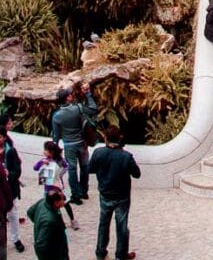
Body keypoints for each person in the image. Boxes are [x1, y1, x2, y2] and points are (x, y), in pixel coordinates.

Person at [88, 124, 140, 260]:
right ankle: (121, 255)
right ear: (119, 138)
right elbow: (137, 174)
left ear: (105, 138)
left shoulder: (98, 153)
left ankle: (100, 252)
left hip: (105, 195)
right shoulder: (126, 156)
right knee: (122, 226)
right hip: (122, 196)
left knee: (103, 224)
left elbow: (90, 169)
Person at [51, 82, 97, 206]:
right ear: (67, 98)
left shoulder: (57, 116)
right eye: (70, 94)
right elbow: (93, 109)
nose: (72, 95)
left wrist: (54, 152)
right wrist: (88, 94)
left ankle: (75, 195)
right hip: (82, 143)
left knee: (72, 169)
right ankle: (84, 191)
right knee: (84, 166)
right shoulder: (78, 108)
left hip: (69, 145)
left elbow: (55, 137)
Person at [33, 140, 78, 233]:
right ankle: (57, 223)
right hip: (48, 188)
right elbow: (35, 168)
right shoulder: (44, 160)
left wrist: (59, 175)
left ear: (51, 152)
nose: (44, 152)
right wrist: (42, 163)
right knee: (51, 206)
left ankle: (73, 220)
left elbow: (66, 167)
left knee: (65, 202)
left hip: (58, 186)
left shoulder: (60, 160)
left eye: (45, 150)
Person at [26, 188, 69, 260]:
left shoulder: (43, 201)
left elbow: (30, 212)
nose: (64, 200)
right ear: (56, 202)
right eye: (62, 199)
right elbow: (40, 247)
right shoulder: (49, 222)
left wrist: (38, 223)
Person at [0, 122, 23, 253]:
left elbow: (17, 170)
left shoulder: (11, 152)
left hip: (10, 189)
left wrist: (10, 174)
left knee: (13, 215)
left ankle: (16, 239)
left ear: (4, 137)